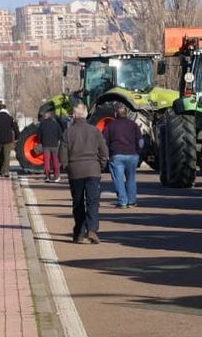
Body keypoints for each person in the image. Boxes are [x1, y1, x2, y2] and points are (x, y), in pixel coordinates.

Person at [62, 103, 109, 243]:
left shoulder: (68, 132)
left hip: (76, 171)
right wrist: (100, 165)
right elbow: (104, 151)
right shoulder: (94, 131)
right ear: (86, 115)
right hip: (93, 170)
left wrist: (67, 168)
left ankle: (79, 233)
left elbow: (62, 155)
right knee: (93, 201)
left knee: (78, 203)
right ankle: (92, 229)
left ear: (74, 115)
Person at [102, 102, 143, 209]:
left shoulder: (110, 126)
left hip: (117, 155)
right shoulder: (134, 125)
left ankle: (122, 201)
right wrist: (138, 152)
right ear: (126, 114)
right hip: (132, 155)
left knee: (118, 179)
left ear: (115, 114)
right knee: (131, 179)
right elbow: (141, 141)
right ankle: (132, 201)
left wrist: (106, 154)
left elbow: (104, 142)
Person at [37, 107, 65, 183]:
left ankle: (47, 176)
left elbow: (39, 135)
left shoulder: (42, 124)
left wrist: (40, 142)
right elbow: (60, 134)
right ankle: (57, 176)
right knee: (56, 160)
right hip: (54, 145)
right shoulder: (55, 124)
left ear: (45, 117)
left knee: (47, 161)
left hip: (45, 145)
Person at [0, 107, 18, 177]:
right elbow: (15, 128)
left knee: (0, 154)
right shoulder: (10, 118)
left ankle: (1, 170)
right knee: (6, 156)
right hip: (8, 139)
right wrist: (17, 137)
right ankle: (6, 171)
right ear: (5, 109)